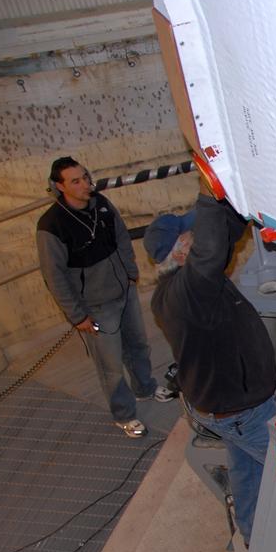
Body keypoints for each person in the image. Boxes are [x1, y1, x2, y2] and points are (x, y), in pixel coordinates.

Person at [148, 190, 276, 546]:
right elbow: (209, 250)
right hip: (242, 411)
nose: (197, 237)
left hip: (224, 408)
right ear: (180, 252)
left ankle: (251, 533)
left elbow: (221, 239)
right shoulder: (188, 291)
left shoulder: (178, 287)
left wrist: (237, 197)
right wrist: (208, 194)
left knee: (246, 469)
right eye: (189, 235)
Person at [36, 156, 171, 437]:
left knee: (138, 345)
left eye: (85, 177)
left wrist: (130, 272)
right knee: (110, 365)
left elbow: (121, 236)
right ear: (60, 186)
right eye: (76, 181)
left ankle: (145, 388)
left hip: (124, 291)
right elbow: (54, 275)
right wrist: (78, 316)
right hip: (96, 307)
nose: (85, 184)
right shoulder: (51, 225)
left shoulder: (101, 204)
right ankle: (124, 415)